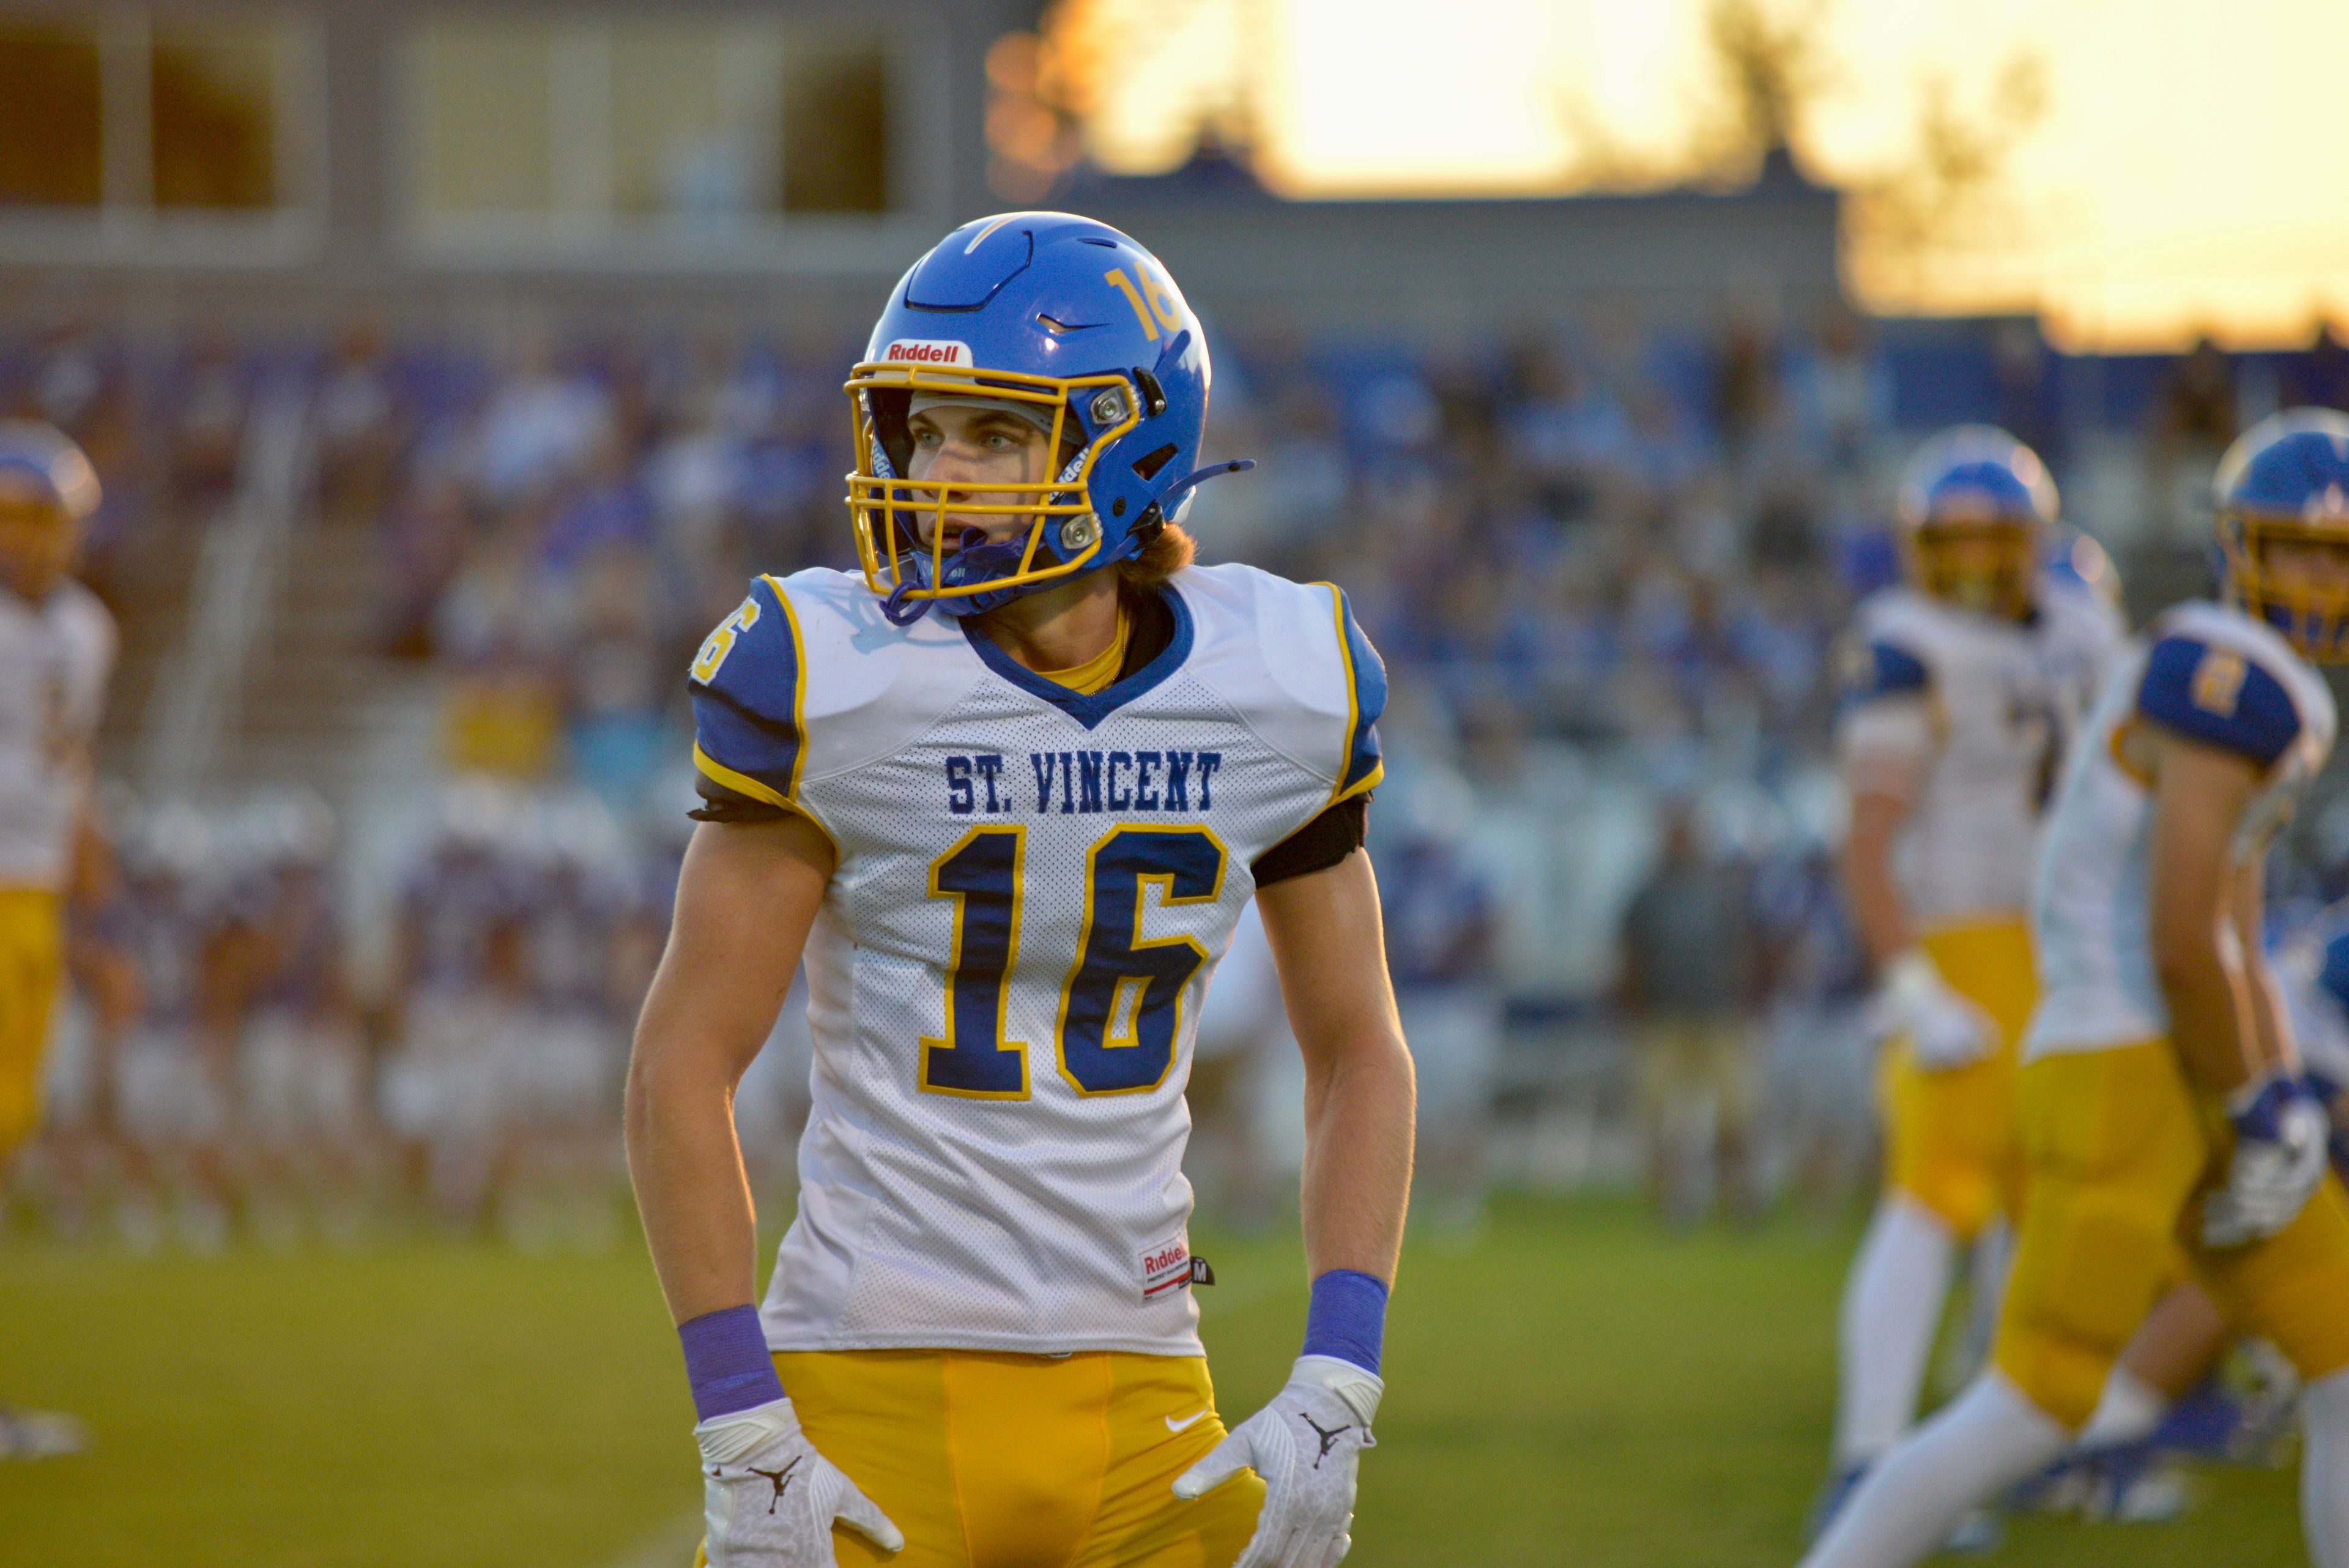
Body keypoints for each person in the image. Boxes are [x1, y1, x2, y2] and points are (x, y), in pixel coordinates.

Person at [626, 212, 1417, 1568]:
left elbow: (1358, 1047)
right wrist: (741, 1420)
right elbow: (682, 1058)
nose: (938, 473)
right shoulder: (840, 672)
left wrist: (1342, 1375)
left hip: (1146, 1405)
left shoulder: (1279, 680)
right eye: (925, 432)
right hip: (863, 1390)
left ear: (1130, 444)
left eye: (993, 434)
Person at [1800, 408, 2349, 1568]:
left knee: (2342, 1351)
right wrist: (2259, 1098)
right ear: (2240, 546)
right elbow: (2186, 935)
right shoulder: (2224, 676)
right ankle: (1850, 1516)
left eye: (2337, 557)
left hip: (2149, 1037)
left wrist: (2280, 1088)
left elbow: (2235, 930)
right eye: (2299, 550)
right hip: (2121, 1052)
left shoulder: (2159, 648)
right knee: (2028, 1397)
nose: (2320, 581)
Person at [1816, 428, 2124, 1523]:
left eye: (1996, 542)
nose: (1975, 565)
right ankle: (1868, 1460)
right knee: (1935, 1196)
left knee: (2034, 1206)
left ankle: (2003, 1448)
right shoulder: (1907, 642)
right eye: (1953, 542)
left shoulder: (2082, 627)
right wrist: (1911, 987)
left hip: (2063, 945)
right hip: (1959, 938)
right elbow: (1867, 841)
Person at [0, 420, 113, 1459]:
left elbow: (69, 781)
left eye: (47, 523)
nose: (30, 542)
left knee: (9, 1136)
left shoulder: (86, 630)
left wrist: (96, 918)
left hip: (32, 905)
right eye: (14, 520)